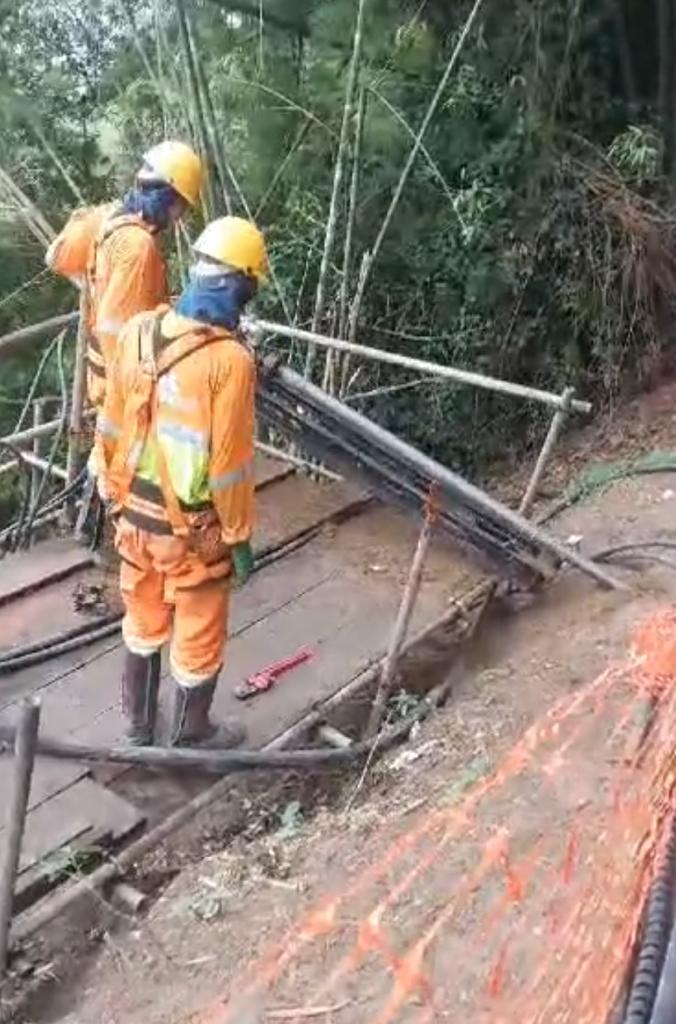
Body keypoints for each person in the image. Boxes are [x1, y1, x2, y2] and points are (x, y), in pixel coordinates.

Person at [93, 215, 268, 749]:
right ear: (238, 283)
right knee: (198, 626)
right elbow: (229, 468)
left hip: (131, 515)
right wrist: (237, 538)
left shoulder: (140, 331)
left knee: (143, 618)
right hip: (189, 531)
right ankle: (191, 731)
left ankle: (138, 726)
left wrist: (109, 487)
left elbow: (111, 421)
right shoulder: (229, 361)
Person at [46, 140, 203, 410]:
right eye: (182, 206)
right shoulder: (138, 246)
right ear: (168, 196)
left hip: (105, 381)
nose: (180, 217)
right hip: (124, 393)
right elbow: (119, 335)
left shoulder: (106, 217)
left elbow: (54, 256)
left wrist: (95, 285)